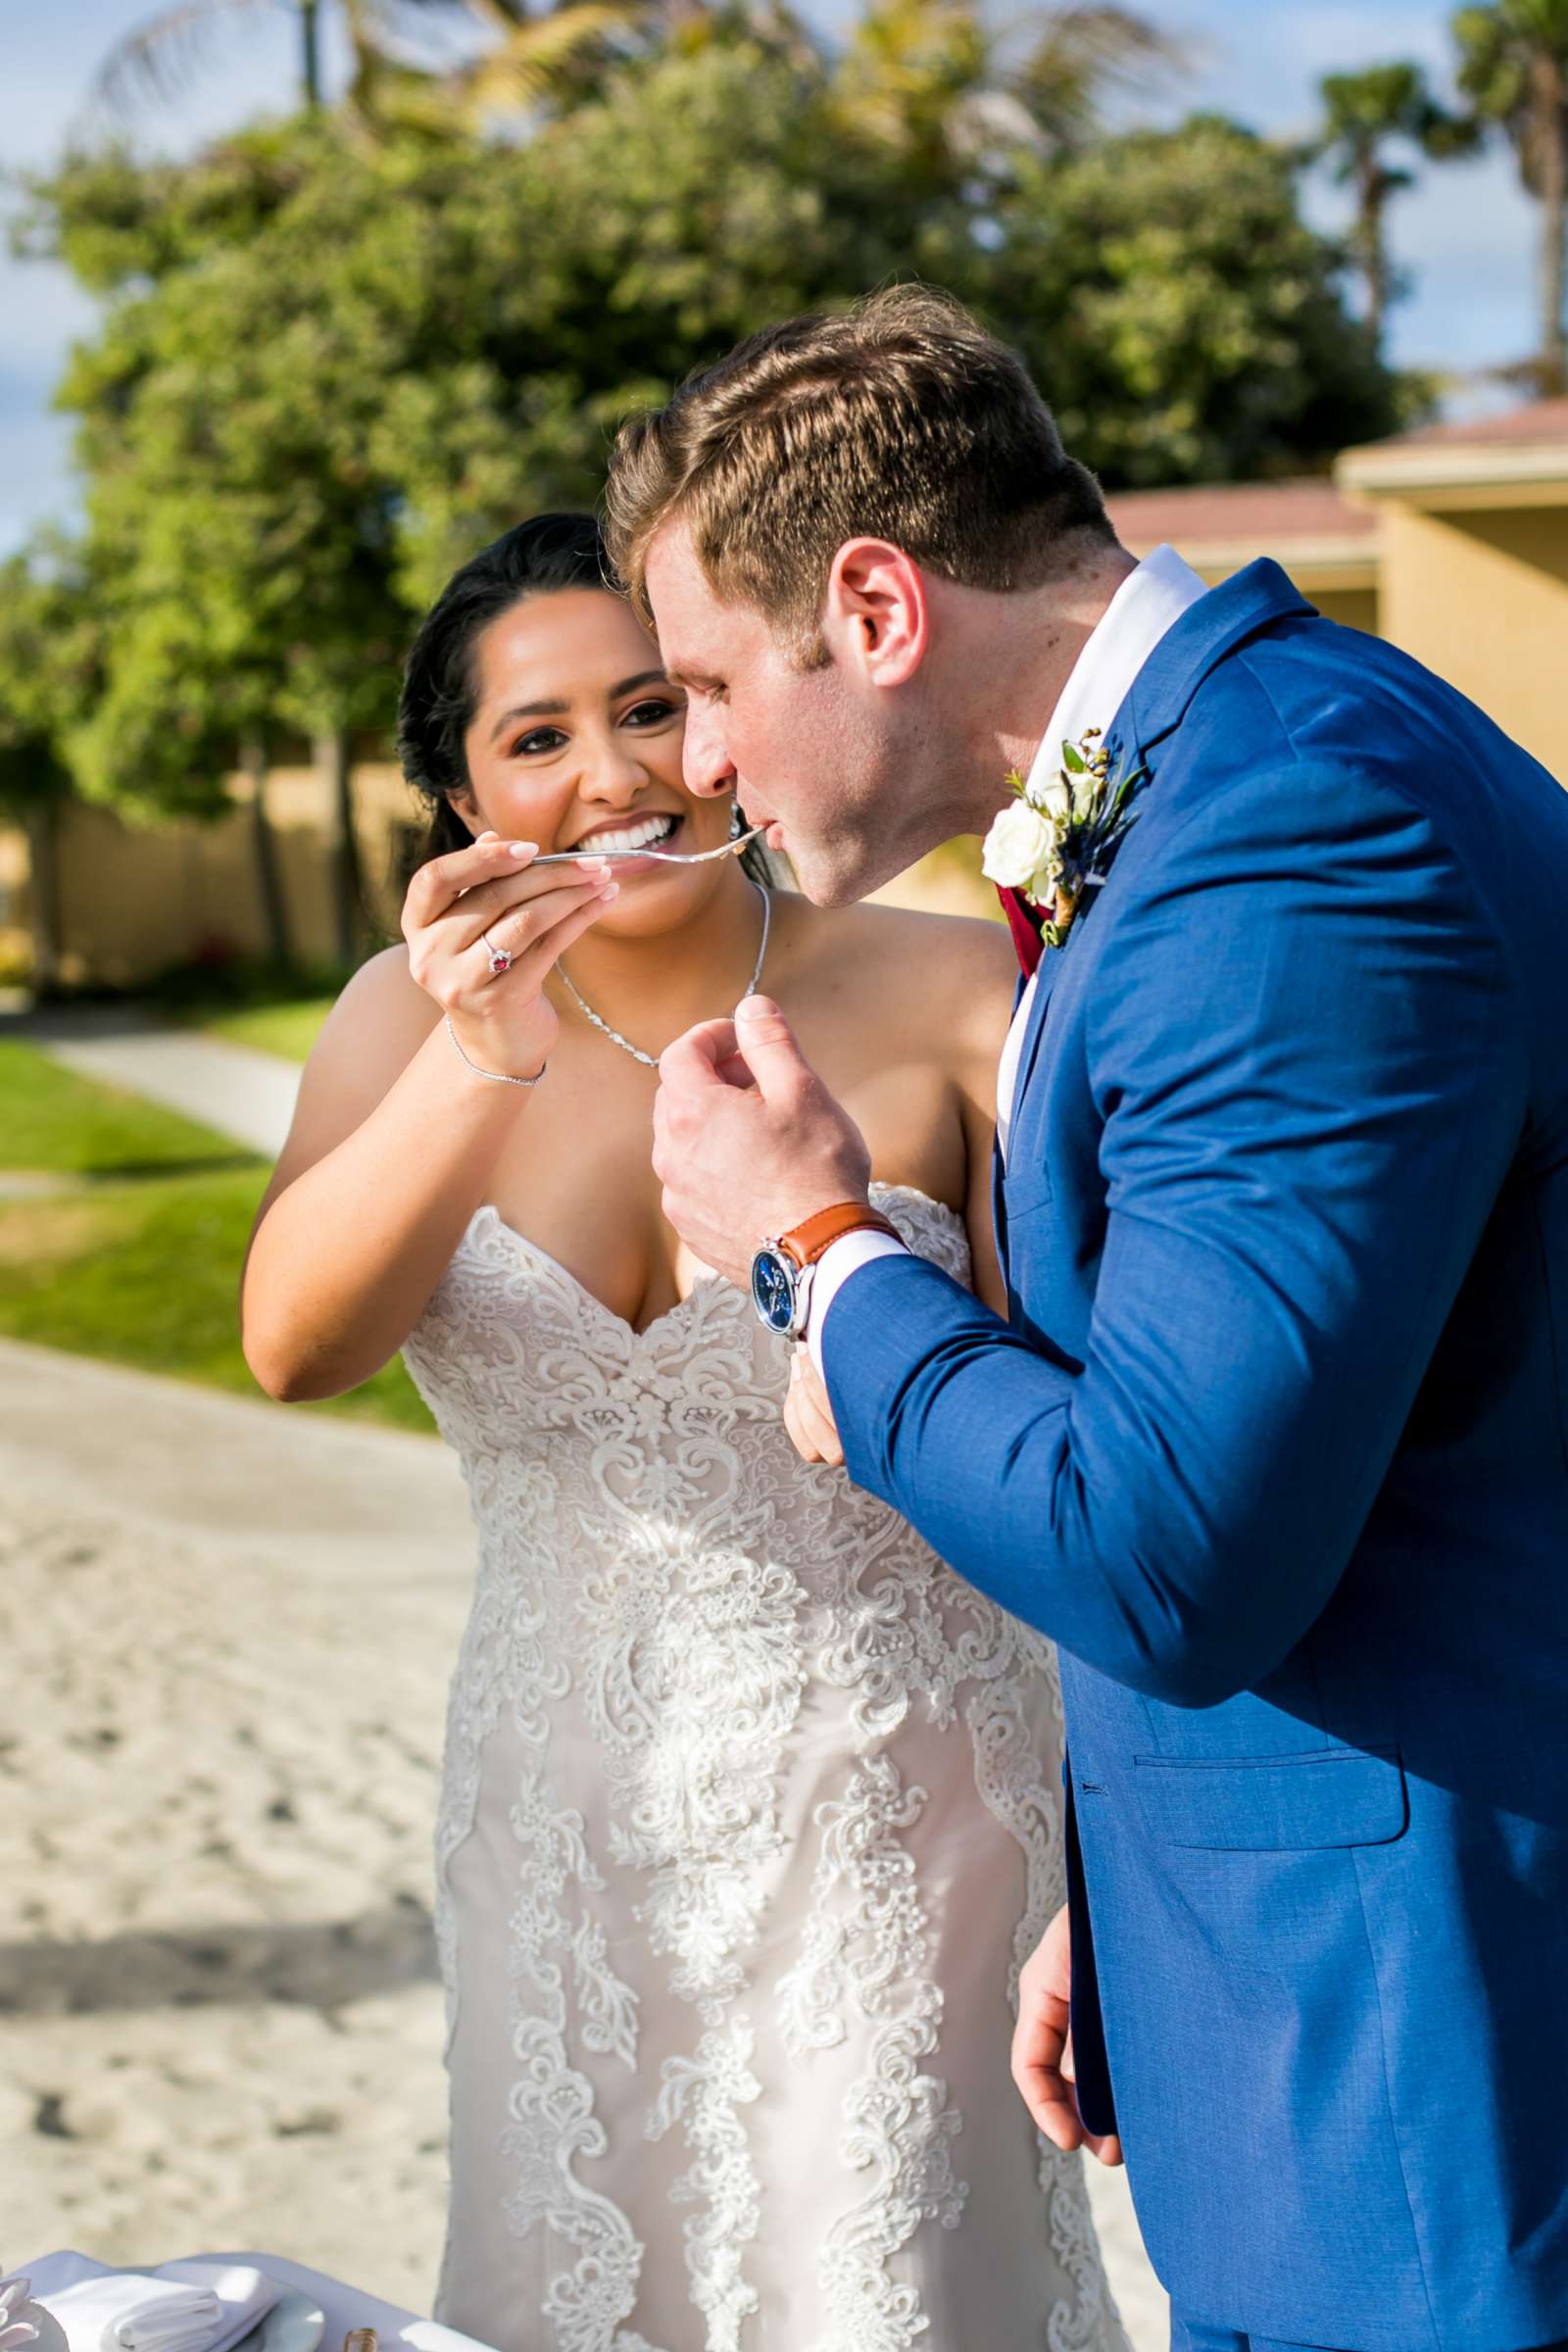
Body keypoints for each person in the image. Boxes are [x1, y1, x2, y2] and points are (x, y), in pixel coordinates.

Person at [616, 288, 1568, 2352]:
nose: (690, 764)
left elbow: (1168, 1548)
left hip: (1436, 2075)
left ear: (873, 606)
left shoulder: (1292, 841)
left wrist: (820, 1244)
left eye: (701, 684)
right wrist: (1122, 1872)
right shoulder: (1223, 784)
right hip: (1275, 1989)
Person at [239, 514, 1131, 2352]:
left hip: (915, 1808)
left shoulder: (953, 987)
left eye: (650, 706)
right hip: (560, 1810)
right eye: (536, 739)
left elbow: (1103, 1435)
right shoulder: (389, 1027)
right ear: (464, 795)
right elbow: (293, 1350)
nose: (612, 776)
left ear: (720, 718)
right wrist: (470, 1053)